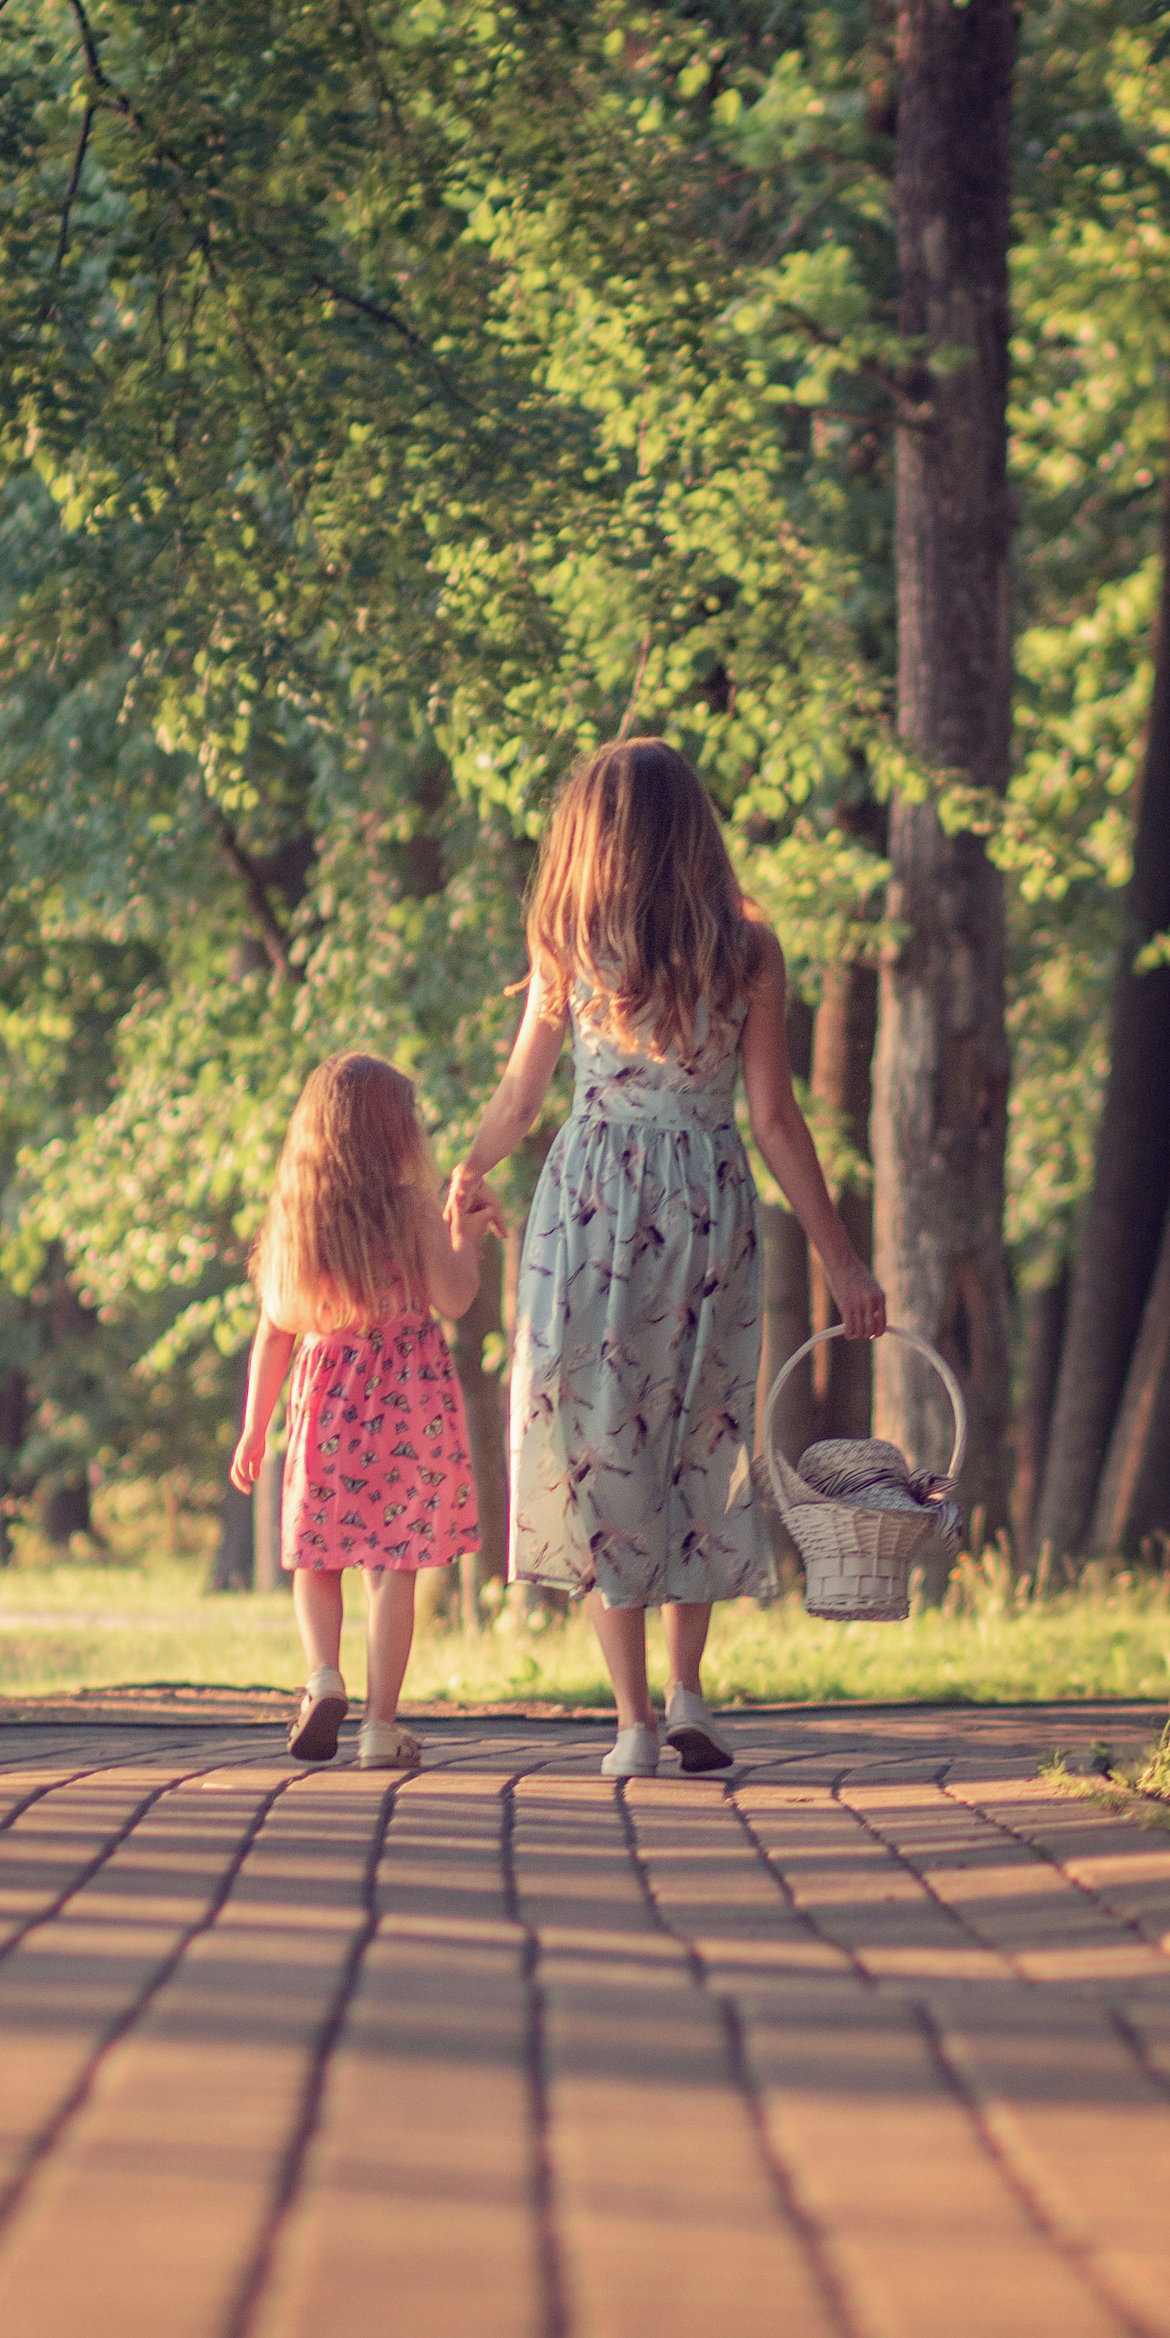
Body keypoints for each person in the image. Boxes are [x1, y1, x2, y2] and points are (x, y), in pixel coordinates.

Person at [448, 739, 884, 1780]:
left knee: (603, 1445)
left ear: (595, 833)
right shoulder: (749, 951)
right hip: (707, 1208)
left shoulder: (570, 941)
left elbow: (519, 1098)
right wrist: (841, 1260)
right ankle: (690, 1691)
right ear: (696, 829)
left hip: (592, 1212)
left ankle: (634, 1723)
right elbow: (775, 1119)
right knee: (702, 1431)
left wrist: (463, 1171)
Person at [233, 1052, 485, 1770]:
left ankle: (322, 1677)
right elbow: (456, 1295)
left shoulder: (297, 1218)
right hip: (408, 1402)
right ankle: (379, 1726)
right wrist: (464, 1235)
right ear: (391, 1134)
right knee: (394, 1565)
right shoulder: (409, 1209)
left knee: (317, 1556)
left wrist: (255, 1426)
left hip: (328, 1403)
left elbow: (275, 1326)